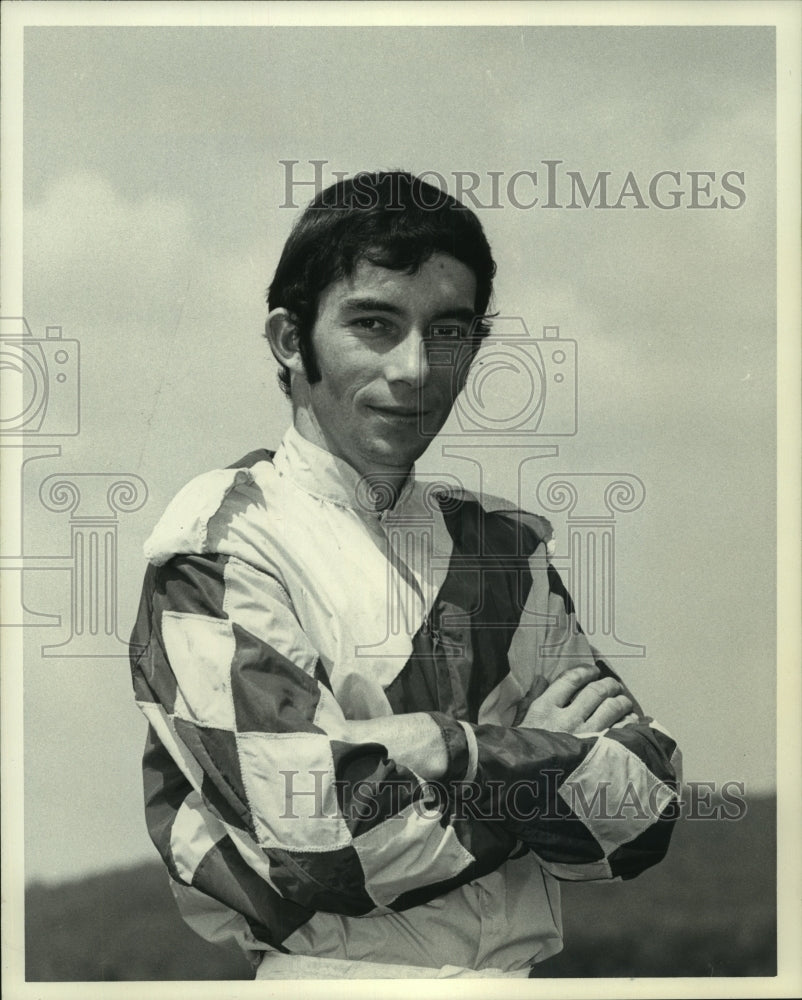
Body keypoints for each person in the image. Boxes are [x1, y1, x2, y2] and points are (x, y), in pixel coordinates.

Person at [129, 171, 682, 980]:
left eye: (448, 330)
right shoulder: (220, 543)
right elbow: (324, 845)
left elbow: (643, 812)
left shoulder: (504, 549)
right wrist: (541, 759)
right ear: (291, 339)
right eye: (375, 324)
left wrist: (441, 749)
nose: (418, 368)